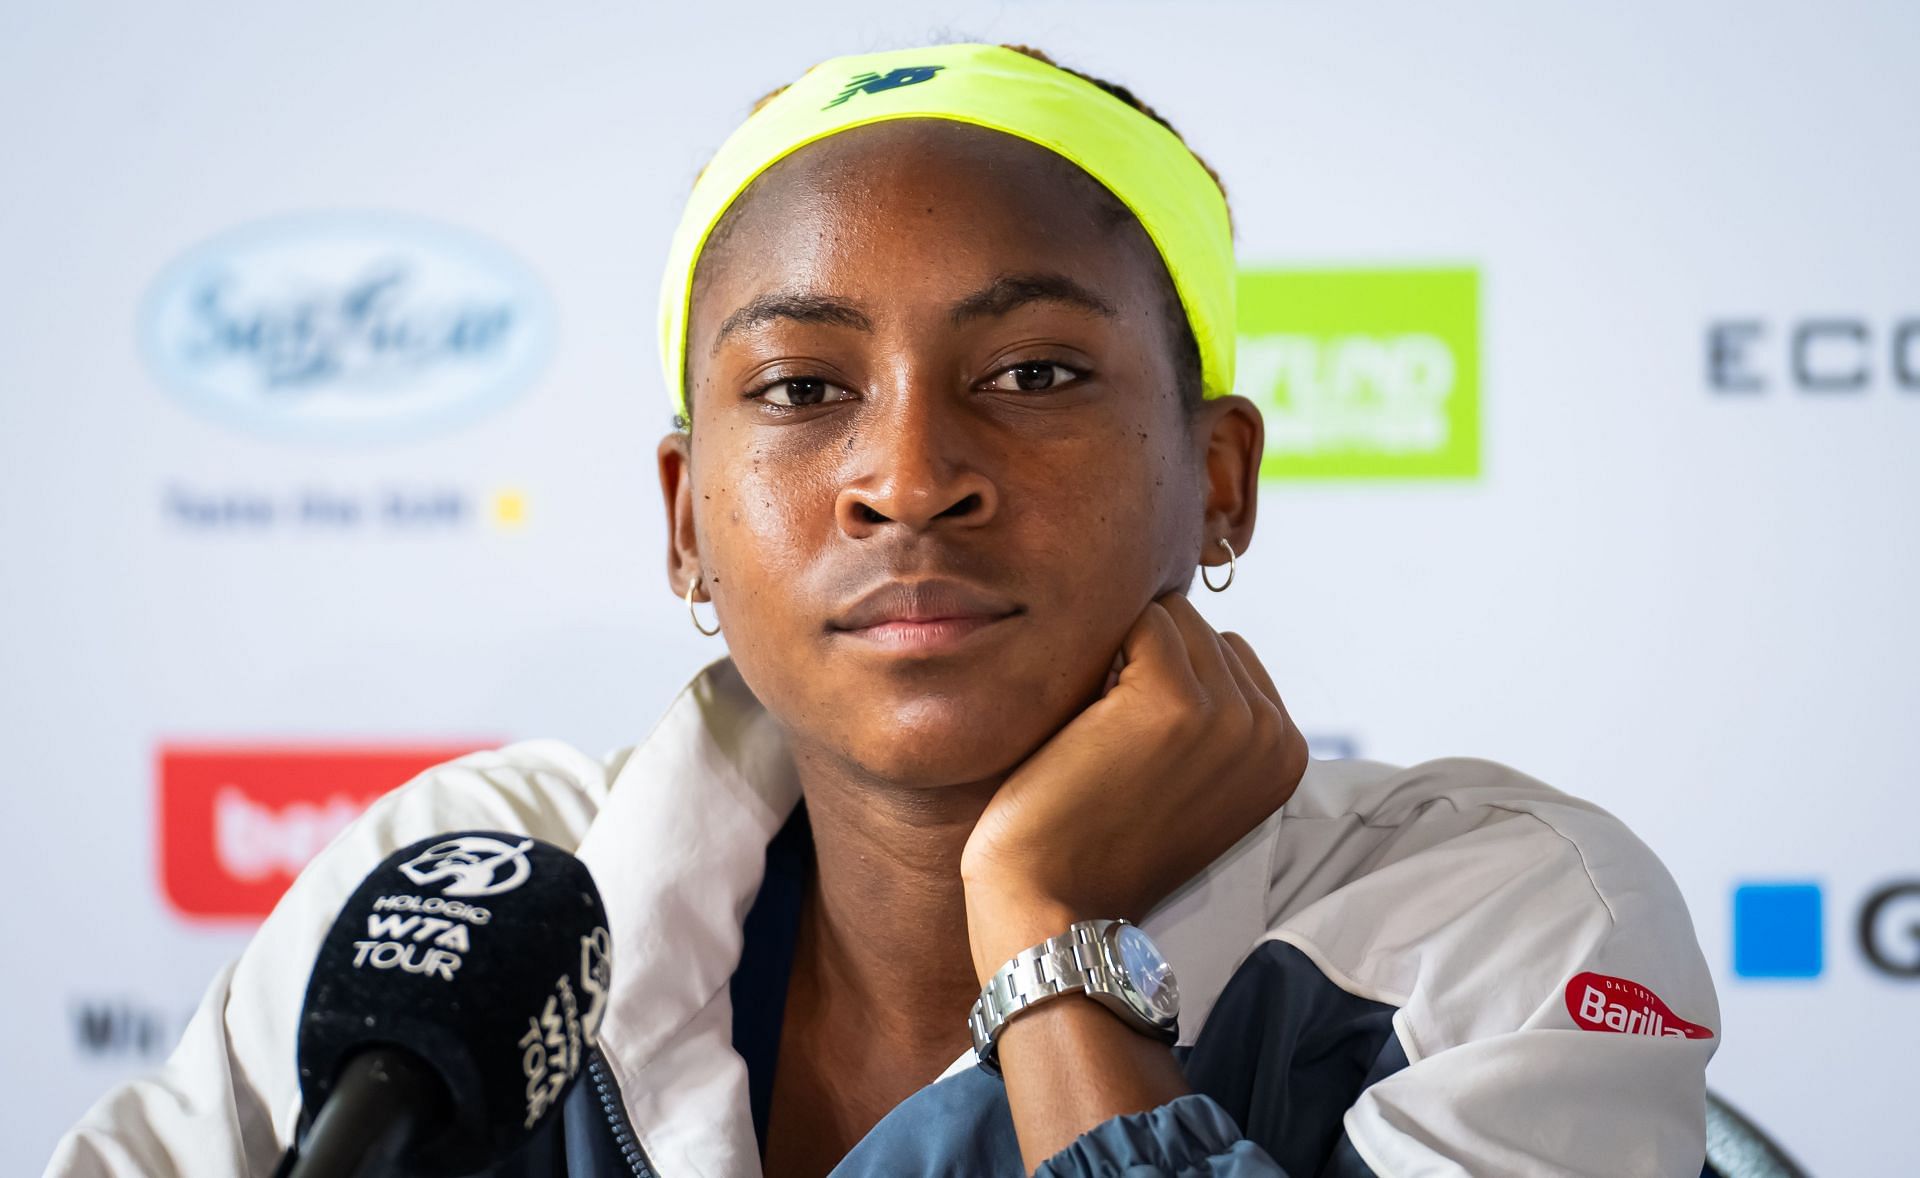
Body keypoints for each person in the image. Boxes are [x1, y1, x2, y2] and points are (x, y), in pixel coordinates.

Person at [48, 42, 1719, 1178]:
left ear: (1220, 480)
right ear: (684, 519)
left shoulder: (1488, 924)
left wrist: (1046, 930)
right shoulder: (477, 886)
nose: (907, 474)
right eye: (801, 387)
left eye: (1036, 371)